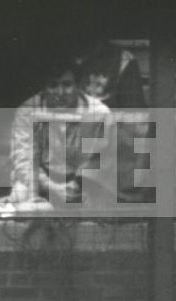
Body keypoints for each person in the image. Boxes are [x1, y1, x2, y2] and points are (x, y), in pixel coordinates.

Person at [7, 57, 113, 205]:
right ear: (43, 87)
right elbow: (23, 161)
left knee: (96, 203)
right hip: (41, 180)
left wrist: (76, 186)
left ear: (78, 85)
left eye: (67, 85)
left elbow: (100, 161)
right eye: (53, 85)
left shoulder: (99, 113)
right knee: (21, 197)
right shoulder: (27, 111)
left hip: (80, 182)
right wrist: (53, 188)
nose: (60, 92)